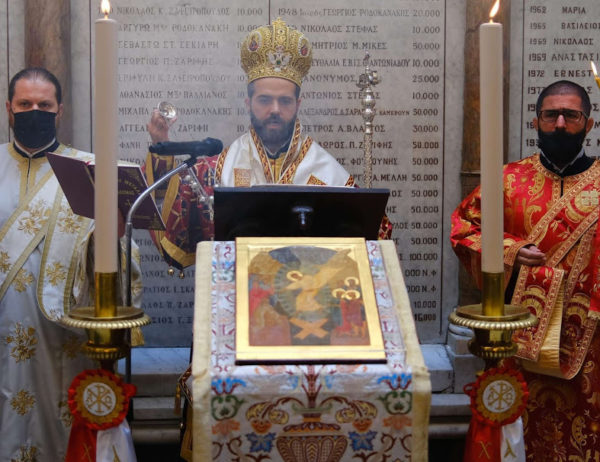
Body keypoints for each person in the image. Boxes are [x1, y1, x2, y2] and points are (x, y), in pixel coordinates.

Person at [146, 18, 391, 270]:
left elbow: (373, 239)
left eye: (284, 101)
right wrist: (162, 151)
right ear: (248, 103)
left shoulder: (328, 174)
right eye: (264, 100)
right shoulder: (214, 171)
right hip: (236, 290)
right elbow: (173, 242)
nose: (274, 110)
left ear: (298, 105)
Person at [450, 80, 600, 460]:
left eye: (571, 115)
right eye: (551, 115)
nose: (560, 123)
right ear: (536, 122)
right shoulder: (507, 180)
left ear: (589, 123)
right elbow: (463, 228)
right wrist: (510, 250)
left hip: (592, 347)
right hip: (521, 342)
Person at [0, 68, 141, 461]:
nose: (35, 111)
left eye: (44, 105)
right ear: (9, 108)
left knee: (61, 425)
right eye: (25, 104)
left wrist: (112, 236)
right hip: (3, 331)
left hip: (62, 337)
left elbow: (117, 263)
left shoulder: (89, 172)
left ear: (59, 110)